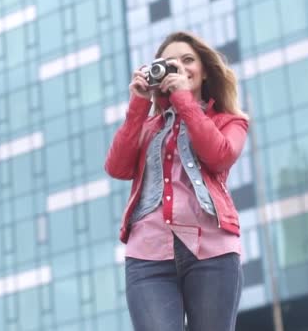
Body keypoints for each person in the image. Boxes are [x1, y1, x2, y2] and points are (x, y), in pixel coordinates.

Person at [104, 31, 249, 331]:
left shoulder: (230, 121)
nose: (179, 67)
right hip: (148, 255)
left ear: (205, 69)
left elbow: (219, 155)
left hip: (212, 250)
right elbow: (117, 167)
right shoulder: (147, 126)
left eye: (187, 60)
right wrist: (138, 105)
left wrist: (184, 99)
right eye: (170, 63)